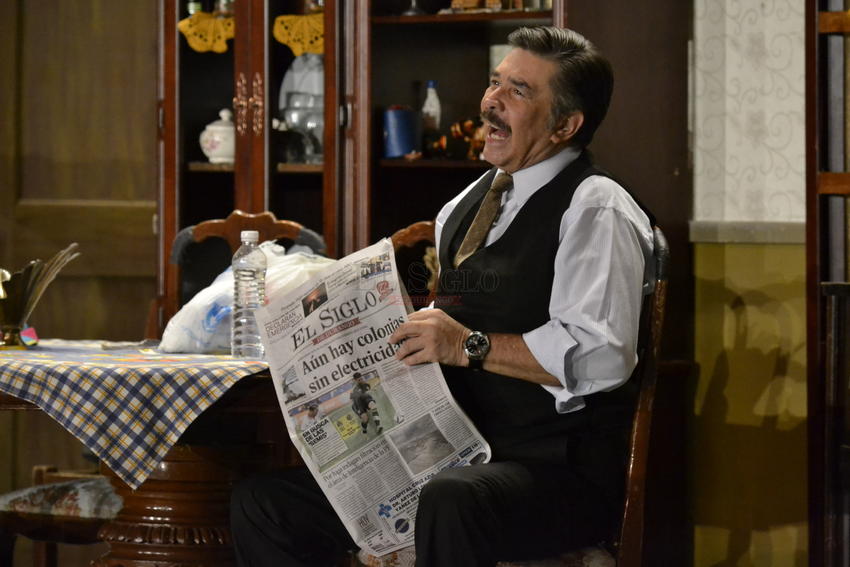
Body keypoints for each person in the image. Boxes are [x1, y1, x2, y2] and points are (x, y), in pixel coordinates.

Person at [229, 26, 655, 567]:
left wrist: (466, 345)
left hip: (558, 471)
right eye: (495, 82)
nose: (491, 101)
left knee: (450, 498)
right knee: (265, 505)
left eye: (519, 91)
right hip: (453, 454)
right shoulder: (465, 204)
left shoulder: (596, 207)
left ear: (565, 125)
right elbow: (455, 316)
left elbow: (603, 355)